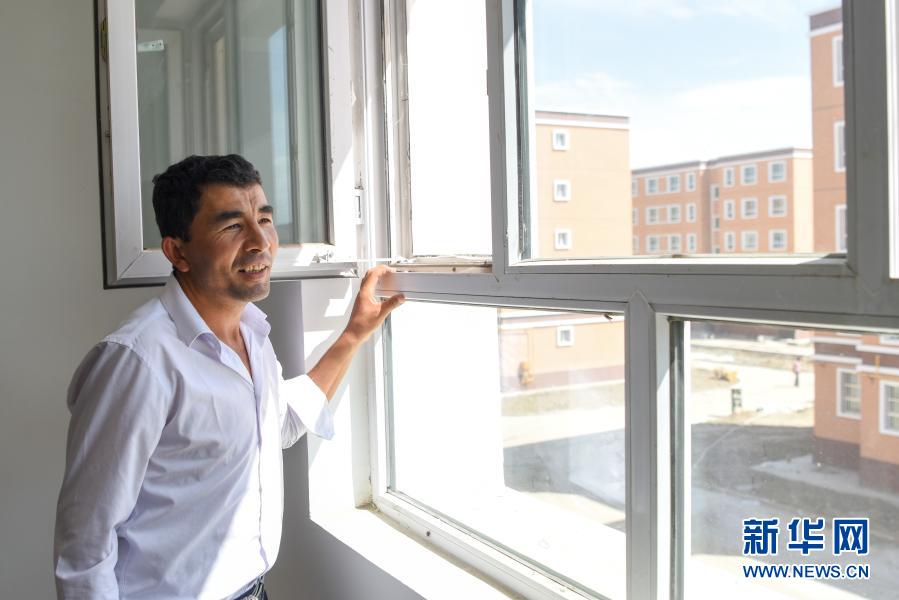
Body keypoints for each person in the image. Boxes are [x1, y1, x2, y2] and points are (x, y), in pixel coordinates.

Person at [53, 155, 404, 599]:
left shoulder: (252, 333)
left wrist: (353, 335)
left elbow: (278, 424)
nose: (261, 242)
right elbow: (85, 548)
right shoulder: (137, 360)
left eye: (265, 220)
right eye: (233, 226)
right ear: (177, 252)